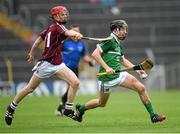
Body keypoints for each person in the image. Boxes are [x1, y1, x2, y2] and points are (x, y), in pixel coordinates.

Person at [74, 20, 166, 123]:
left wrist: (138, 69)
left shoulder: (118, 44)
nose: (126, 31)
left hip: (119, 75)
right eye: (123, 29)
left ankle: (153, 115)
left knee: (141, 88)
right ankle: (81, 109)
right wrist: (107, 68)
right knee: (101, 103)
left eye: (126, 29)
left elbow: (123, 60)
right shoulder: (110, 41)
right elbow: (95, 54)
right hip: (106, 79)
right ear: (116, 30)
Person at [5, 5, 83, 126]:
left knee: (75, 82)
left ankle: (68, 109)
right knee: (30, 89)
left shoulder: (52, 27)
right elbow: (67, 32)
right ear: (56, 16)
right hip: (46, 64)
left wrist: (31, 52)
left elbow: (38, 39)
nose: (65, 15)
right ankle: (11, 107)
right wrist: (75, 34)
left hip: (58, 64)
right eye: (62, 14)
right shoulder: (57, 27)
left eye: (65, 13)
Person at [55, 24, 95, 116]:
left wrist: (90, 61)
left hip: (75, 68)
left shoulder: (81, 44)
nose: (76, 33)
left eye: (77, 31)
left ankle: (62, 105)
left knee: (72, 87)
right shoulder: (65, 42)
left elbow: (84, 56)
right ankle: (63, 106)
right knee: (72, 86)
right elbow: (56, 51)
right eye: (74, 31)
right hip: (65, 68)